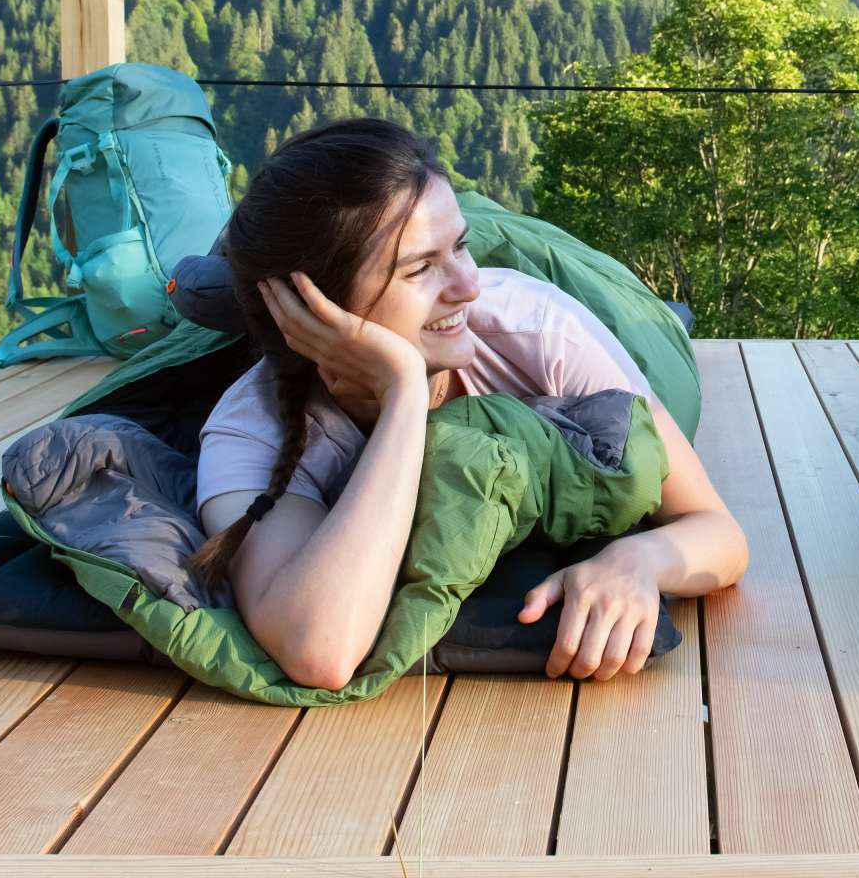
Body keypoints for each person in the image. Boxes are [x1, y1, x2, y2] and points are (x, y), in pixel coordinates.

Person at [188, 118, 747, 687]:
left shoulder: (536, 329)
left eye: (460, 246)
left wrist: (637, 561)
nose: (467, 286)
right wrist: (404, 393)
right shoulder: (250, 432)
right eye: (420, 268)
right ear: (316, 306)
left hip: (601, 317)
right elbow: (319, 651)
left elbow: (717, 532)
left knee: (654, 340)